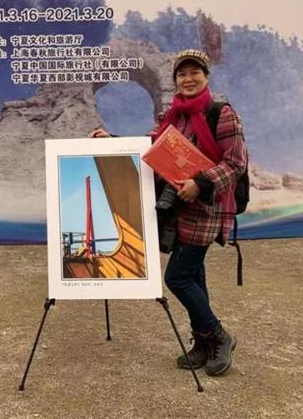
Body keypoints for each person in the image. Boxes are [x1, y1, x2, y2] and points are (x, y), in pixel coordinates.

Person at [89, 48, 247, 376]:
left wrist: (199, 184)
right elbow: (151, 148)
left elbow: (235, 163)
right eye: (182, 74)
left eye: (195, 72)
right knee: (194, 274)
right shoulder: (171, 117)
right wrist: (112, 140)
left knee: (177, 276)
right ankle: (203, 341)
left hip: (207, 207)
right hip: (179, 207)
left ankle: (219, 335)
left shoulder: (222, 113)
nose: (188, 79)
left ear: (206, 76)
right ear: (175, 80)